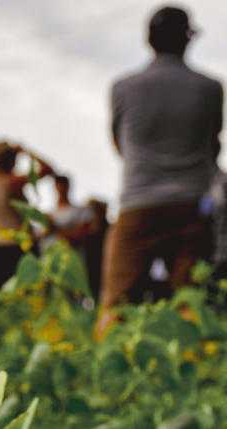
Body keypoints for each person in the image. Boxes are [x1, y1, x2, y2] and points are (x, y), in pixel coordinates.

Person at [97, 6, 221, 340]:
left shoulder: (123, 88)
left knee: (116, 301)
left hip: (139, 204)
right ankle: (200, 372)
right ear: (187, 40)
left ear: (149, 40)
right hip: (192, 206)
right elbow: (213, 148)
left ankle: (102, 381)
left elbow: (122, 146)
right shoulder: (210, 88)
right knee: (191, 300)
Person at [0, 141, 54, 286]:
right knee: (29, 295)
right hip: (18, 247)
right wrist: (26, 151)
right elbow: (47, 170)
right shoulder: (11, 182)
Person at [41, 176, 96, 267]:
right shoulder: (48, 214)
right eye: (58, 185)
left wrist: (55, 228)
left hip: (71, 267)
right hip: (49, 267)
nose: (61, 188)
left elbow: (80, 236)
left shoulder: (80, 210)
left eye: (63, 185)